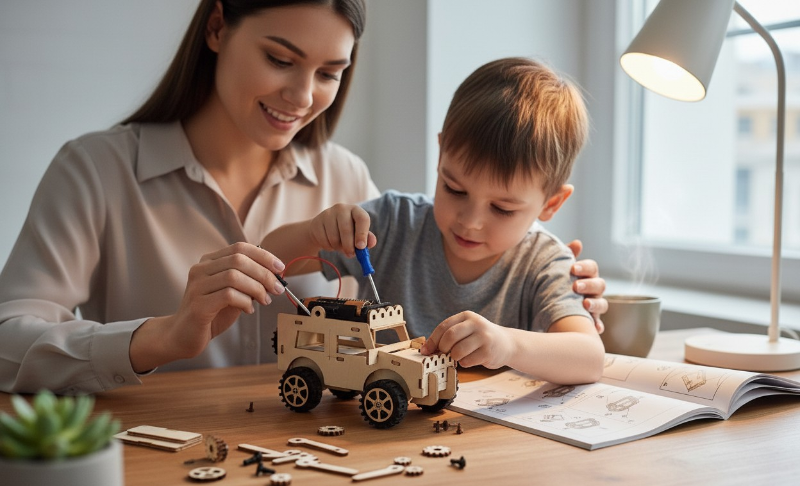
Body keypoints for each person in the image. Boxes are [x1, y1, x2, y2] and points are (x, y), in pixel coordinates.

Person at [0, 2, 604, 395]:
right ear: (216, 27)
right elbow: (7, 340)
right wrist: (161, 337)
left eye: (330, 71)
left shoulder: (348, 178)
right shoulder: (96, 169)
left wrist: (555, 291)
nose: (302, 94)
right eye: (280, 59)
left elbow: (420, 280)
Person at [262, 57, 605, 384]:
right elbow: (267, 258)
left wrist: (508, 345)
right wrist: (314, 233)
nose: (471, 221)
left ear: (552, 203)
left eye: (502, 209)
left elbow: (589, 357)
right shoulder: (393, 223)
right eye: (454, 189)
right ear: (440, 156)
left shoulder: (544, 263)